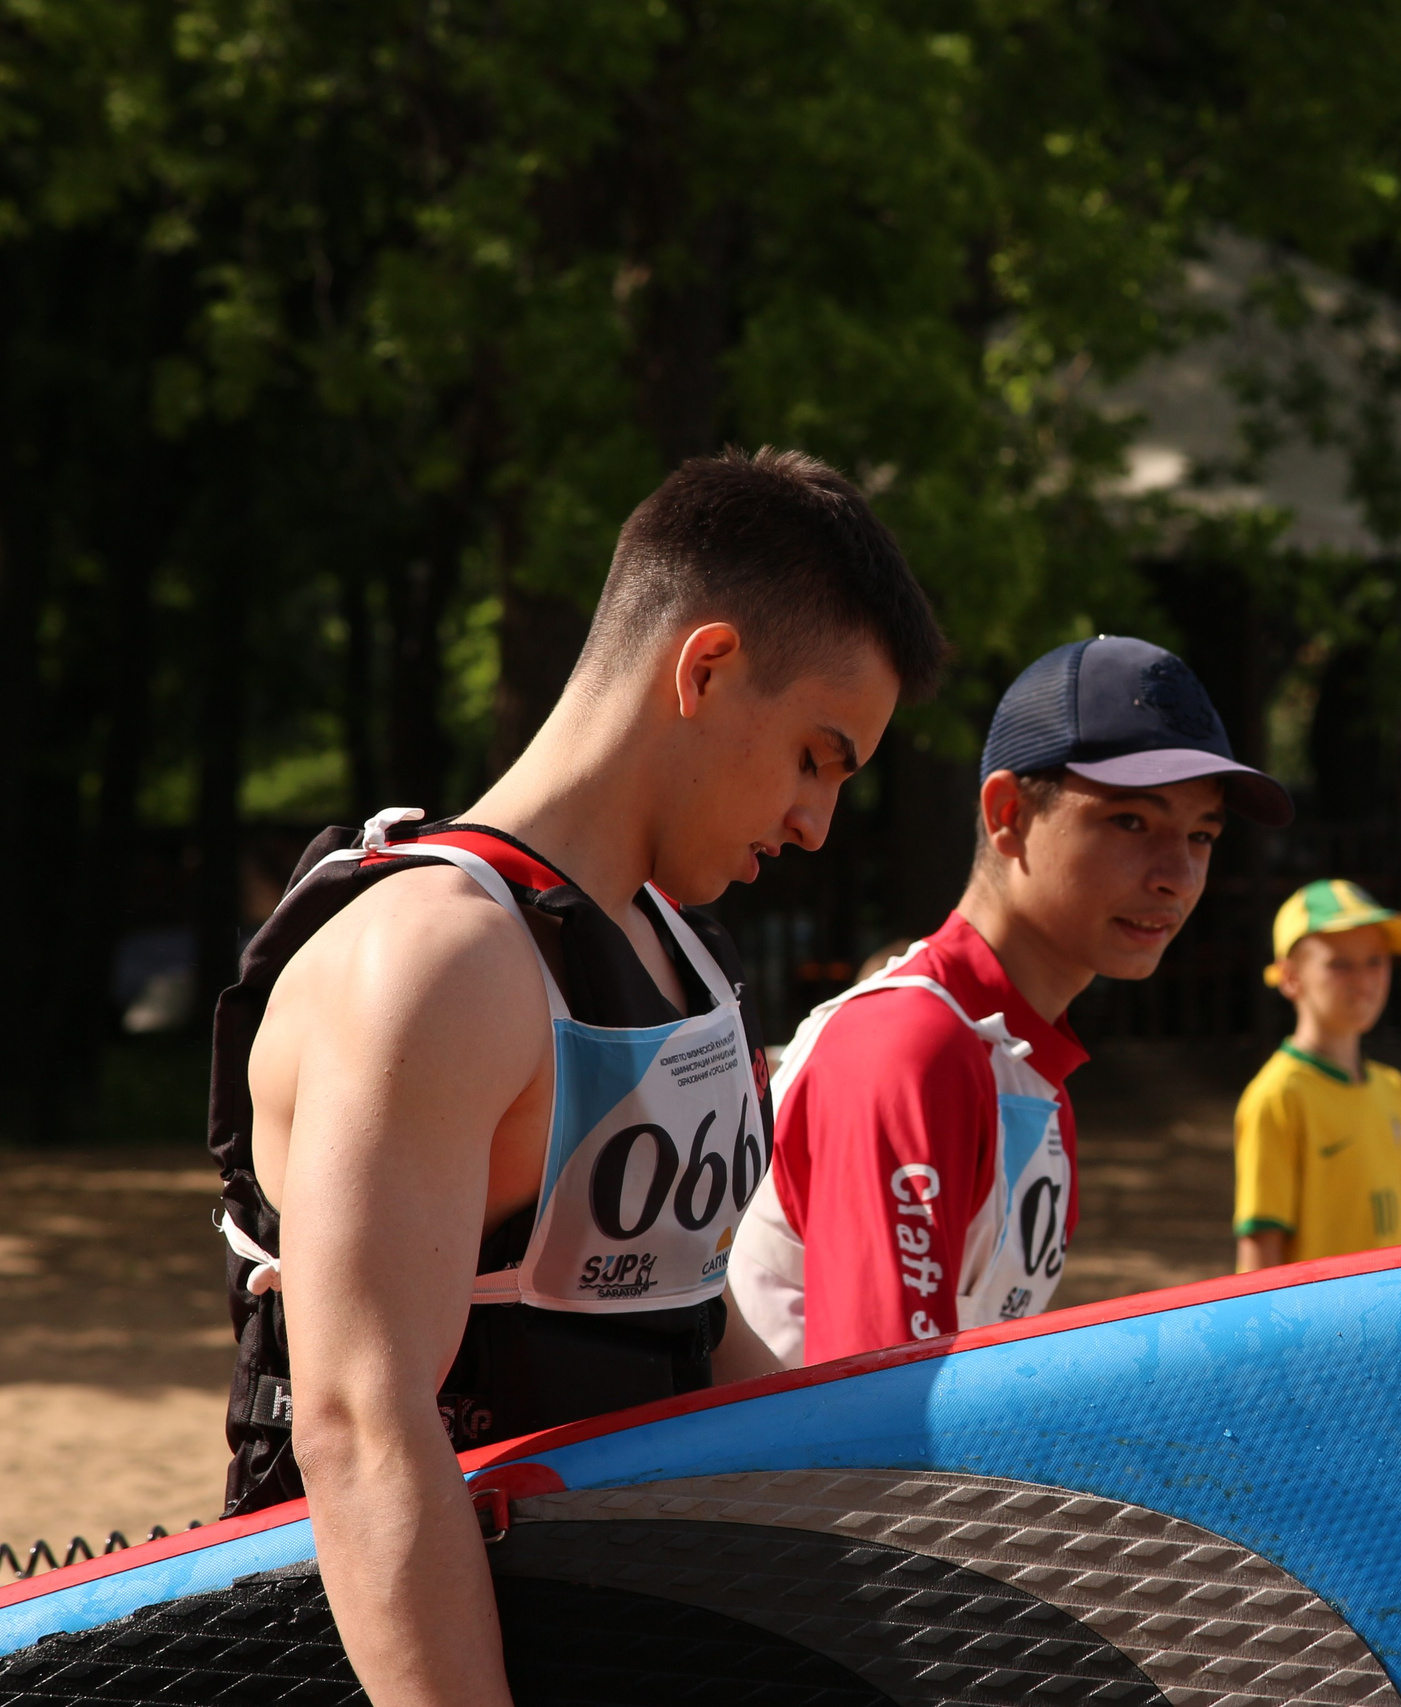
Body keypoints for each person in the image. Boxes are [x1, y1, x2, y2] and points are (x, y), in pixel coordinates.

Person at [210, 448, 944, 1706]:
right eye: (814, 758)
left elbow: (684, 1321)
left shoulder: (680, 959)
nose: (816, 823)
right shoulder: (435, 959)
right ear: (705, 669)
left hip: (635, 1637)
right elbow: (361, 1428)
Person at [731, 635, 1291, 1364]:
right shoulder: (910, 1046)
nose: (1177, 875)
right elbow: (876, 1406)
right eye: (1131, 821)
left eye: (1202, 834)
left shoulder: (1024, 1063)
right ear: (1008, 814)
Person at [1233, 880, 1401, 1272]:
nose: (1364, 979)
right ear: (1291, 977)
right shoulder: (1277, 1097)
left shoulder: (1392, 1087)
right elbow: (1260, 1247)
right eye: (1340, 964)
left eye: (1376, 960)